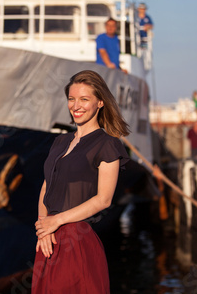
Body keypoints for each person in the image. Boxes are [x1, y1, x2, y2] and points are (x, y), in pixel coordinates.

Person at [32, 70, 130, 293]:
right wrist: (43, 227)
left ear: (100, 103)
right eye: (72, 99)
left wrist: (55, 221)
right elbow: (47, 185)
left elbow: (103, 200)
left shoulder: (107, 144)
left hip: (76, 241)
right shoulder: (60, 141)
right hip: (48, 239)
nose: (76, 105)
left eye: (84, 99)